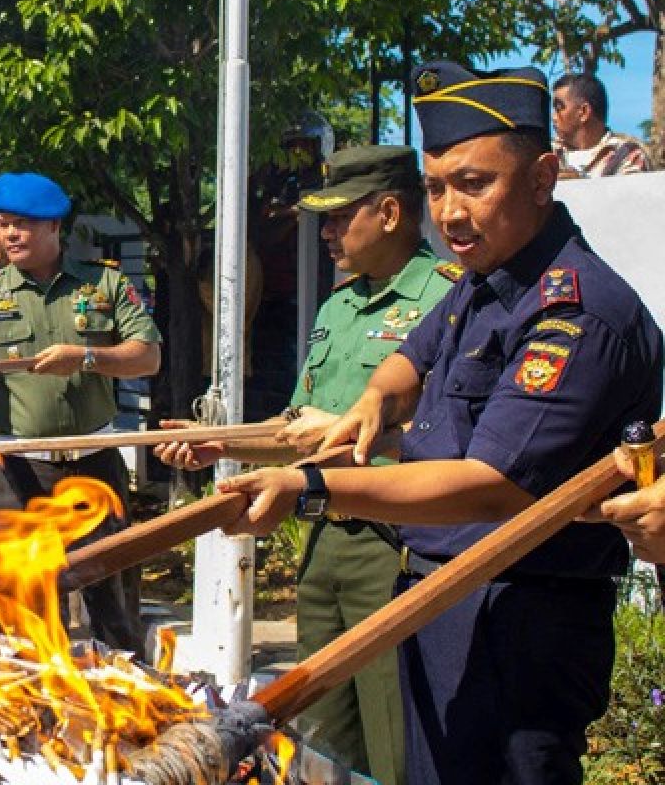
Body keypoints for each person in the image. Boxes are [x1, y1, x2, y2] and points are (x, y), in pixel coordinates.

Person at [215, 61, 663, 784]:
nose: (450, 211)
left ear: (544, 177)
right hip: (439, 599)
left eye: (474, 183)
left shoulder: (575, 312)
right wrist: (373, 401)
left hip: (519, 619)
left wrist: (314, 487)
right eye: (435, 188)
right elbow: (411, 361)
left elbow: (491, 485)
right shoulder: (485, 283)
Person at [156, 145, 454, 785]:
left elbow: (453, 440)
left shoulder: (447, 300)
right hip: (326, 536)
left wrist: (370, 441)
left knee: (396, 738)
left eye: (338, 217)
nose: (323, 233)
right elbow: (301, 430)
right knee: (320, 734)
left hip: (399, 544)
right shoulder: (338, 307)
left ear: (392, 212)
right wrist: (222, 444)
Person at [0, 171, 162, 657]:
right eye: (3, 225)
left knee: (111, 594)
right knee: (27, 603)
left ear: (54, 228)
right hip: (21, 469)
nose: (7, 235)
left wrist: (88, 357)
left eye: (21, 225)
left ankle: (125, 700)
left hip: (94, 464)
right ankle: (38, 710)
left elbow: (147, 356)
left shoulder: (103, 282)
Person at [552, 72, 652, 178]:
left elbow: (631, 193)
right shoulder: (548, 152)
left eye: (559, 108)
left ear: (584, 112)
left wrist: (580, 182)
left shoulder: (627, 154)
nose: (553, 117)